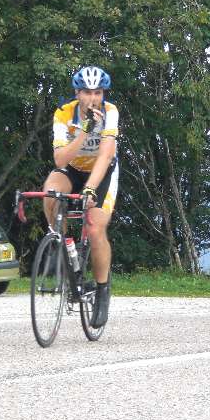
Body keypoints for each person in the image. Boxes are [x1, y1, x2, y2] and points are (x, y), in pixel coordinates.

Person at [43, 65, 119, 328]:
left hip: (102, 171)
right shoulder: (64, 114)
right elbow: (61, 158)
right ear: (77, 93)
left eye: (98, 92)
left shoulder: (110, 112)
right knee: (51, 193)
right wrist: (85, 130)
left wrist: (90, 188)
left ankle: (101, 290)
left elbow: (106, 154)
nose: (93, 98)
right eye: (87, 92)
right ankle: (59, 244)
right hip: (73, 167)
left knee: (95, 227)